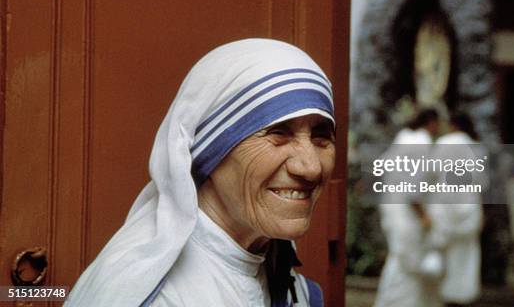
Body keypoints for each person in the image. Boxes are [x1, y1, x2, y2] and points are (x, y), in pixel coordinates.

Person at [65, 38, 336, 307]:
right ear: (212, 151)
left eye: (321, 136)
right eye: (278, 133)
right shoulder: (153, 298)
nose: (311, 168)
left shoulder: (283, 277)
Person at [373, 109, 442, 307]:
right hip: (407, 217)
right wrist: (424, 216)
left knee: (399, 263)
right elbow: (414, 189)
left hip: (392, 212)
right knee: (408, 269)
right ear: (431, 122)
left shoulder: (402, 140)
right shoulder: (422, 143)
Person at [427, 112, 485, 307]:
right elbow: (483, 183)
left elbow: (432, 173)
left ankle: (442, 299)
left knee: (443, 255)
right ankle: (462, 299)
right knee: (465, 258)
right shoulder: (476, 147)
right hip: (468, 209)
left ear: (452, 125)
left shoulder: (443, 143)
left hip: (444, 207)